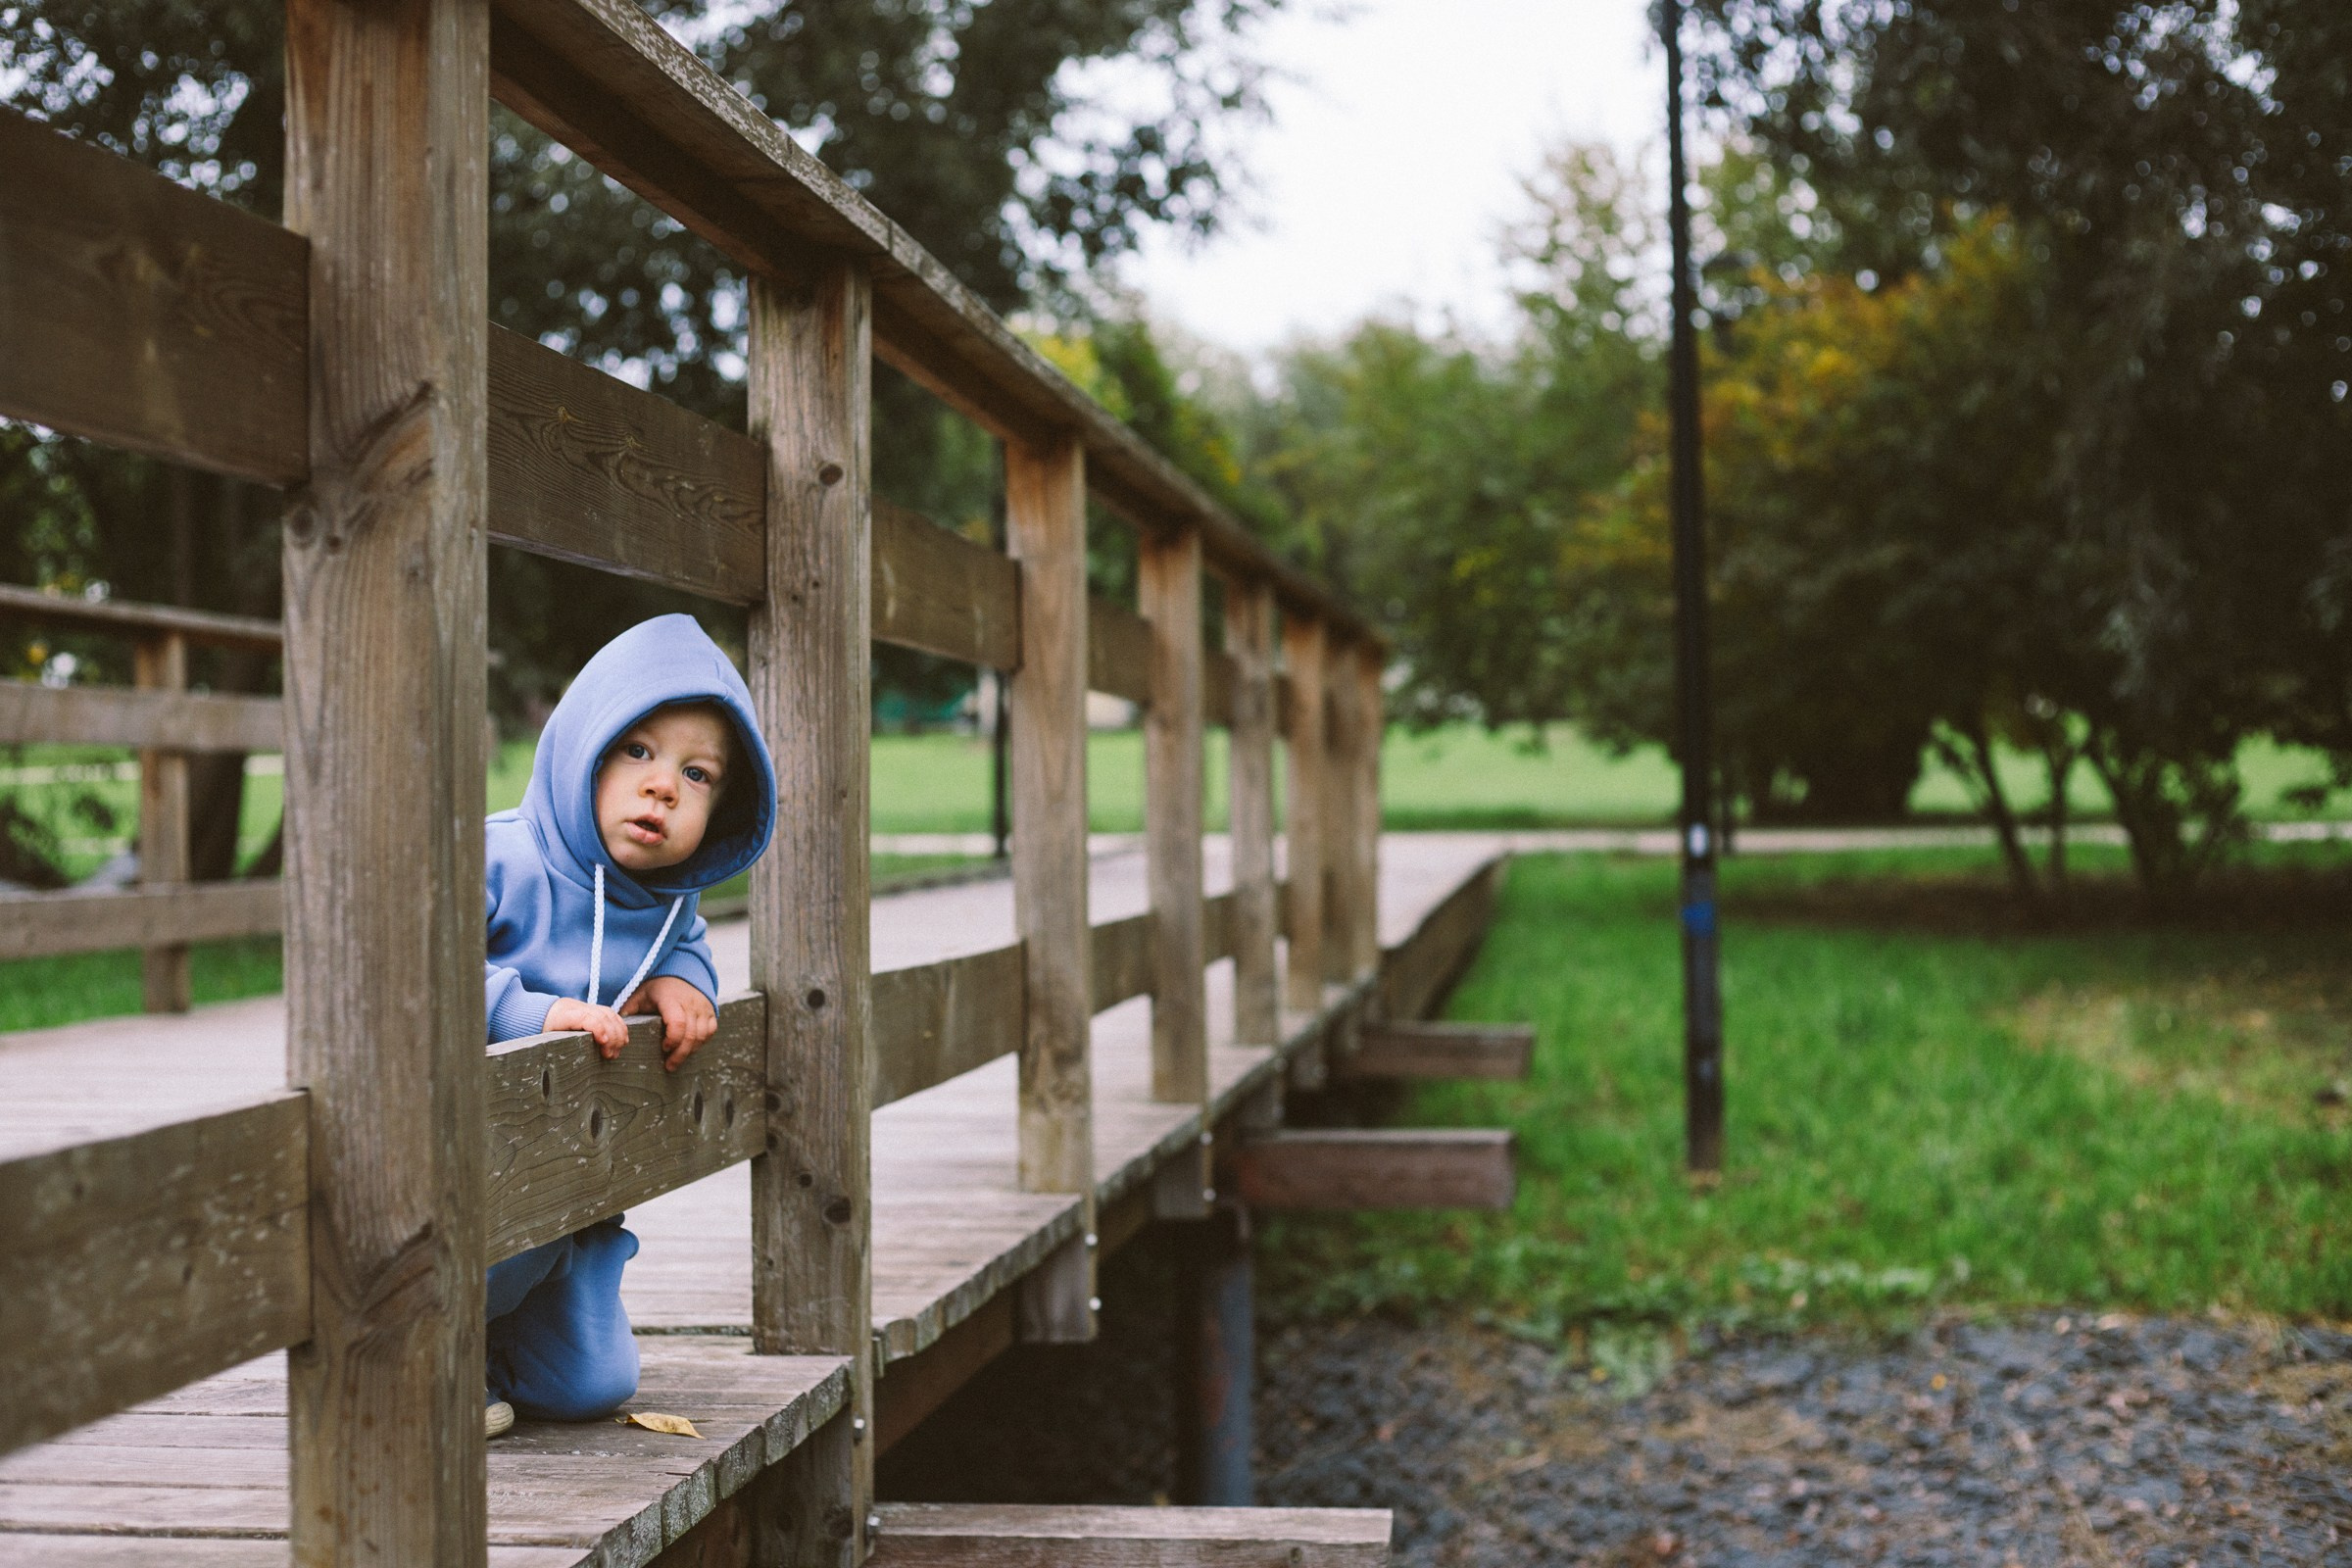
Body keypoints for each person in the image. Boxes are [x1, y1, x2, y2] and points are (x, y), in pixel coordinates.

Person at [479, 614, 775, 1437]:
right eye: (636, 751)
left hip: (575, 1197)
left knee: (591, 1386)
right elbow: (412, 971)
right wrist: (530, 1015)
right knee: (504, 1249)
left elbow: (687, 947)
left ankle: (503, 1340)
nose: (663, 787)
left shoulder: (666, 905)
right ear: (582, 746)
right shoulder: (498, 860)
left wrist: (686, 984)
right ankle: (427, 1351)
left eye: (699, 774)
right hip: (465, 1182)